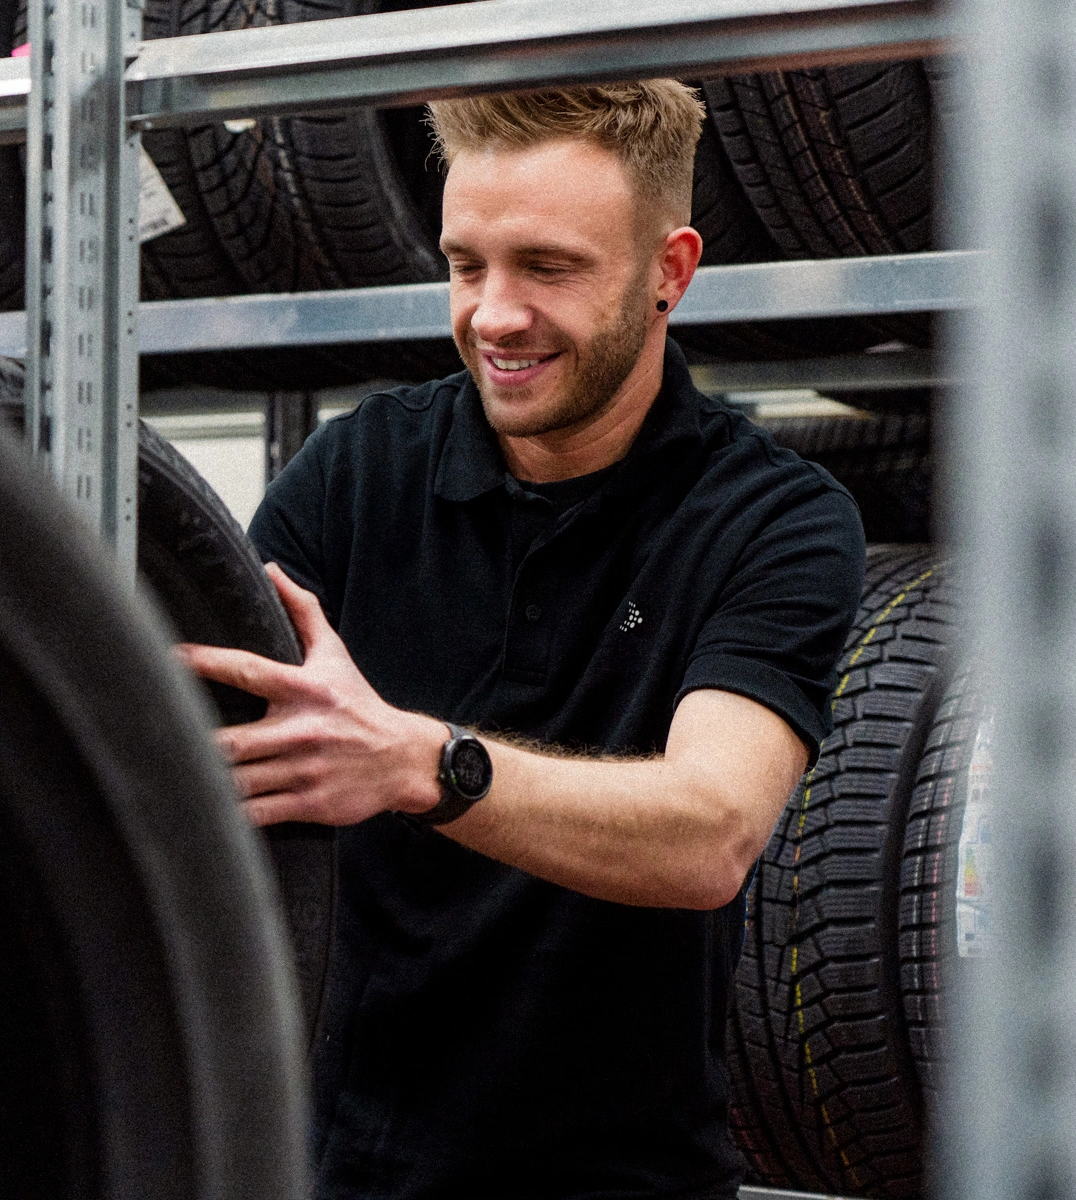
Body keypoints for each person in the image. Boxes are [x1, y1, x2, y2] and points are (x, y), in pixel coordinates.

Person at [180, 80, 864, 1200]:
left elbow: (710, 833)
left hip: (621, 1179)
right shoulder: (355, 476)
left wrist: (418, 765)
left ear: (669, 271)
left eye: (548, 268)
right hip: (341, 1172)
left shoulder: (772, 520)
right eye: (465, 265)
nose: (493, 314)